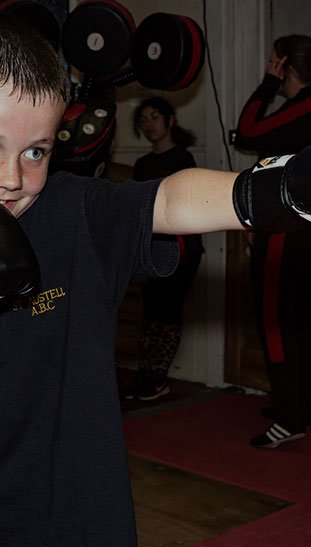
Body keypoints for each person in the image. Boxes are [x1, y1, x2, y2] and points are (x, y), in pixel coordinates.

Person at [0, 13, 250, 547]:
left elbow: (171, 198)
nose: (11, 177)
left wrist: (289, 189)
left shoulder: (76, 213)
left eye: (35, 151)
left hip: (81, 524)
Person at [232, 34, 311, 449]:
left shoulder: (308, 105)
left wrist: (265, 85)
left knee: (276, 320)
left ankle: (291, 415)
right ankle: (292, 406)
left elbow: (247, 130)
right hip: (299, 225)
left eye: (273, 62)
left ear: (284, 66)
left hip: (287, 228)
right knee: (297, 320)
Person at [122, 97, 204, 400]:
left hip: (184, 249)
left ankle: (158, 379)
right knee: (151, 312)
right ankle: (146, 377)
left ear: (170, 120)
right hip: (151, 249)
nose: (149, 123)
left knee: (168, 312)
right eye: (143, 119)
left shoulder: (183, 159)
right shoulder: (143, 164)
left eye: (155, 116)